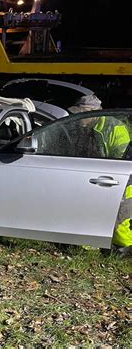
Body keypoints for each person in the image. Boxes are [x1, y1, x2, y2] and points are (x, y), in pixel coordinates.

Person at [69, 94, 131, 254]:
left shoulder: (114, 128)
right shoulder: (83, 128)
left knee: (119, 216)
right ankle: (88, 247)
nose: (78, 118)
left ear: (93, 113)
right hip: (97, 174)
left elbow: (123, 157)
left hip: (121, 177)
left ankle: (124, 249)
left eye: (81, 114)